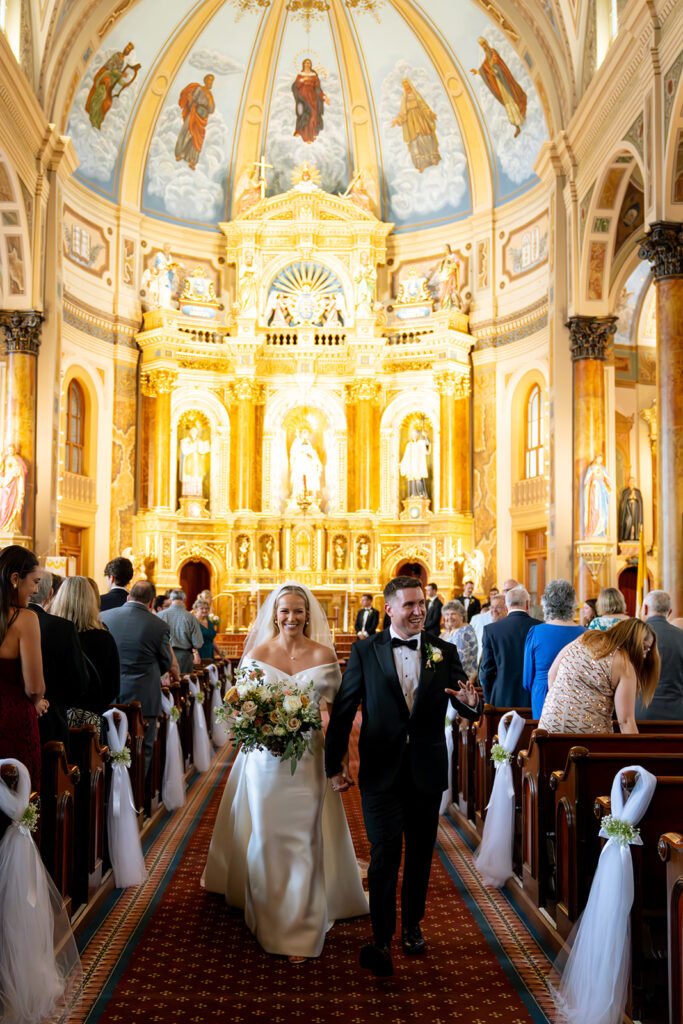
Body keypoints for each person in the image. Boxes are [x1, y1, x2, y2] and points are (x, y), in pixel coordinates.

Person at [325, 576, 482, 977]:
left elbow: (463, 702)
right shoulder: (365, 650)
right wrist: (334, 764)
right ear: (389, 609)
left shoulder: (442, 652)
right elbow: (344, 709)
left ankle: (412, 925)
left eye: (420, 604)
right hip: (380, 770)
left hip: (426, 769)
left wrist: (472, 705)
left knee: (419, 855)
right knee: (383, 857)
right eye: (409, 604)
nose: (417, 611)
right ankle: (380, 937)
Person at [204, 583, 368, 961]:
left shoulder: (325, 655)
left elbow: (339, 715)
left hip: (309, 758)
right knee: (268, 835)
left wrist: (339, 763)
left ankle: (301, 929)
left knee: (304, 838)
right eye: (284, 611)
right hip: (265, 761)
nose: (291, 618)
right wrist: (256, 726)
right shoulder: (258, 654)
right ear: (274, 614)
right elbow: (240, 709)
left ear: (308, 614)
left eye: (298, 611)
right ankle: (266, 912)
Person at [101, 580, 176, 773]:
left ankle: (109, 795)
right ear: (152, 603)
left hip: (109, 693)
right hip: (144, 696)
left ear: (128, 597)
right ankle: (137, 795)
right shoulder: (159, 625)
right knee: (143, 747)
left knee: (109, 745)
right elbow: (166, 662)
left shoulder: (104, 617)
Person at [539, 619, 659, 734]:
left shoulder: (586, 638)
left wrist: (560, 704)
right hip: (589, 737)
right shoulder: (624, 665)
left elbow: (551, 674)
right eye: (644, 648)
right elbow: (626, 721)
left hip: (548, 727)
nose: (644, 656)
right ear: (632, 641)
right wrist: (638, 753)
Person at [0, 546, 46, 790]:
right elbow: (34, 687)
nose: (36, 590)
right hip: (13, 722)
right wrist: (37, 700)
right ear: (15, 579)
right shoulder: (25, 619)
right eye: (34, 582)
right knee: (18, 804)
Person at [29, 570, 90, 756]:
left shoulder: (6, 622)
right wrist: (57, 703)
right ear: (50, 594)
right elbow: (79, 681)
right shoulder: (61, 627)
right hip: (52, 722)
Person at [50, 576, 120, 733]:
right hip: (91, 721)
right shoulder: (104, 638)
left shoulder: (51, 634)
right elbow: (113, 687)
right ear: (91, 602)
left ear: (60, 599)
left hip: (57, 720)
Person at [522, 580, 585, 718]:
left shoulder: (536, 632)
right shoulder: (585, 634)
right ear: (572, 603)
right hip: (576, 696)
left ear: (546, 603)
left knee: (544, 736)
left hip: (543, 693)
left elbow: (527, 680)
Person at [479, 585, 536, 707]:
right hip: (531, 697)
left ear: (506, 607)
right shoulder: (539, 628)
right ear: (527, 605)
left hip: (501, 696)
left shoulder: (491, 630)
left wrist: (490, 700)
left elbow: (486, 672)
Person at [634, 590, 683, 720]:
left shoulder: (633, 636)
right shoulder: (681, 636)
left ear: (644, 609)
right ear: (670, 612)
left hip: (639, 712)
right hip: (677, 714)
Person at [471, 37, 527, 137]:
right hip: (498, 84)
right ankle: (516, 126)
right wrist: (478, 72)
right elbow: (485, 68)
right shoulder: (487, 59)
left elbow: (498, 64)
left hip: (505, 82)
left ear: (487, 44)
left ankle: (521, 119)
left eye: (484, 45)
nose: (484, 48)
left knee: (513, 99)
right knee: (507, 103)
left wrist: (495, 70)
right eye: (482, 46)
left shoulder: (493, 53)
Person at [392, 78, 441, 172]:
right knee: (415, 142)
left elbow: (423, 105)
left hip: (420, 118)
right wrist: (397, 120)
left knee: (426, 137)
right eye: (404, 85)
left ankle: (433, 158)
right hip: (411, 121)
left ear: (409, 84)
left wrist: (430, 113)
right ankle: (420, 164)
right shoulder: (404, 97)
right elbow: (402, 111)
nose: (406, 86)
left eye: (407, 84)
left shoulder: (415, 93)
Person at [158, 589, 203, 674]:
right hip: (184, 658)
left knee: (166, 685)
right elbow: (198, 644)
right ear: (184, 600)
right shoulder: (191, 617)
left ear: (170, 600)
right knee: (183, 684)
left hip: (164, 656)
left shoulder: (160, 615)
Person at [175, 75, 215, 170]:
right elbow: (193, 100)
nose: (211, 83)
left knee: (197, 139)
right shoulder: (199, 90)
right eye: (209, 81)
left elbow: (212, 109)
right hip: (194, 114)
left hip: (202, 118)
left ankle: (192, 160)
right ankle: (180, 153)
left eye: (212, 82)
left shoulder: (210, 95)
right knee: (187, 133)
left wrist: (209, 101)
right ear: (205, 81)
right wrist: (192, 104)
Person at [292, 58, 328, 144]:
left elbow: (318, 88)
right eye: (306, 63)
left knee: (313, 116)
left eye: (309, 63)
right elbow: (295, 86)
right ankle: (302, 133)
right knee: (304, 114)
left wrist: (324, 97)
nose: (308, 64)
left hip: (312, 98)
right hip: (303, 98)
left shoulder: (314, 76)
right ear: (303, 64)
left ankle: (311, 135)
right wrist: (301, 82)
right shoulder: (300, 75)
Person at [441, 600, 478, 678]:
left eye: (453, 614)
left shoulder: (463, 633)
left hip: (462, 679)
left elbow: (461, 661)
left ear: (461, 616)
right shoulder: (456, 630)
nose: (449, 617)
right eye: (447, 614)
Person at [289, 428, 322, 501]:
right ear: (302, 433)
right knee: (298, 478)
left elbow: (312, 453)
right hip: (299, 462)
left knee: (308, 478)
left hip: (307, 464)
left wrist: (310, 455)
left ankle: (308, 494)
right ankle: (297, 494)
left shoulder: (308, 442)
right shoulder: (297, 441)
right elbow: (293, 452)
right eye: (304, 433)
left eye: (307, 433)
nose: (306, 435)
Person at [399, 427, 431, 499]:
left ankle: (420, 495)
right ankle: (412, 495)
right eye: (412, 434)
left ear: (417, 435)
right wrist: (401, 464)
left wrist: (426, 437)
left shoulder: (421, 443)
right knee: (411, 481)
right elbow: (405, 456)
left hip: (419, 466)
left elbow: (427, 449)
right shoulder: (409, 445)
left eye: (415, 434)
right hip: (411, 466)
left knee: (418, 480)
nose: (414, 436)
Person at [618, 477, 644, 542]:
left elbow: (640, 502)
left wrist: (635, 497)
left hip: (636, 509)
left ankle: (635, 537)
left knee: (635, 522)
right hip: (628, 509)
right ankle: (626, 537)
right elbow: (623, 502)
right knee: (628, 521)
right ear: (628, 482)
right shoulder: (625, 491)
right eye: (630, 481)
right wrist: (628, 497)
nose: (632, 483)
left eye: (633, 481)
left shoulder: (637, 491)